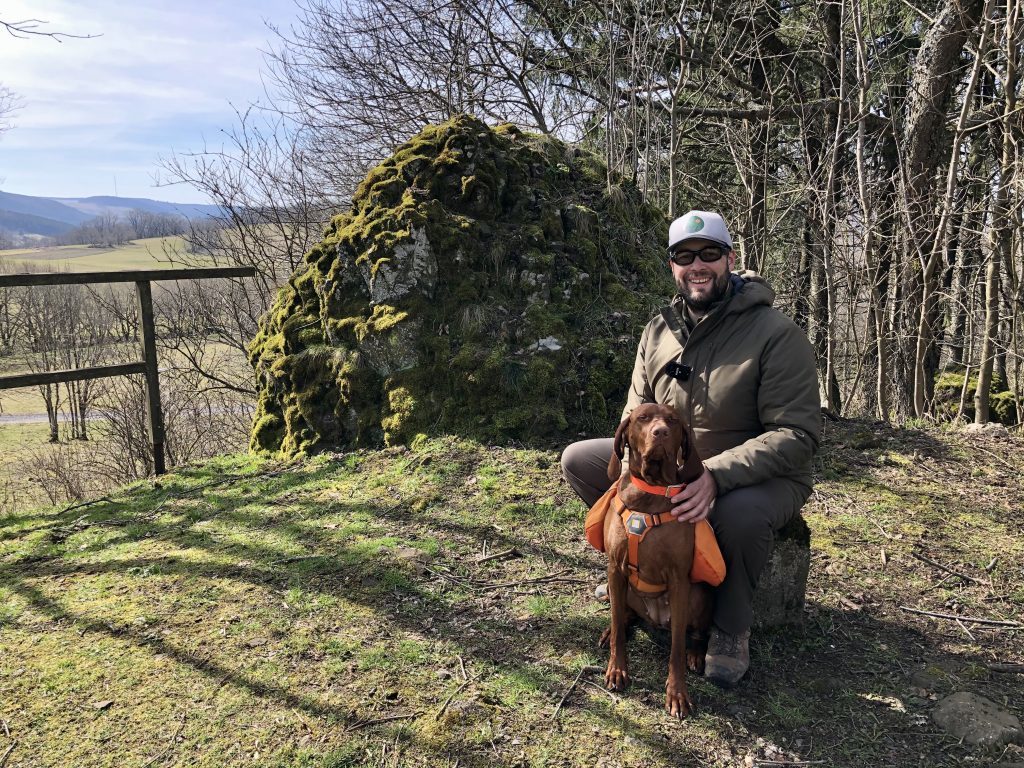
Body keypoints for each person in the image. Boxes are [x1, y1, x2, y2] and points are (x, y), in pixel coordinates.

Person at [561, 210, 821, 688]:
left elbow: (797, 435)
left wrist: (716, 476)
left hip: (757, 474)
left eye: (709, 254)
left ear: (730, 258)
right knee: (580, 460)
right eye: (685, 256)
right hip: (674, 464)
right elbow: (634, 409)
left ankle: (728, 626)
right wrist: (628, 471)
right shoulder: (658, 329)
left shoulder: (776, 334)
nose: (697, 265)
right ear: (672, 266)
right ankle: (643, 574)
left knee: (737, 516)